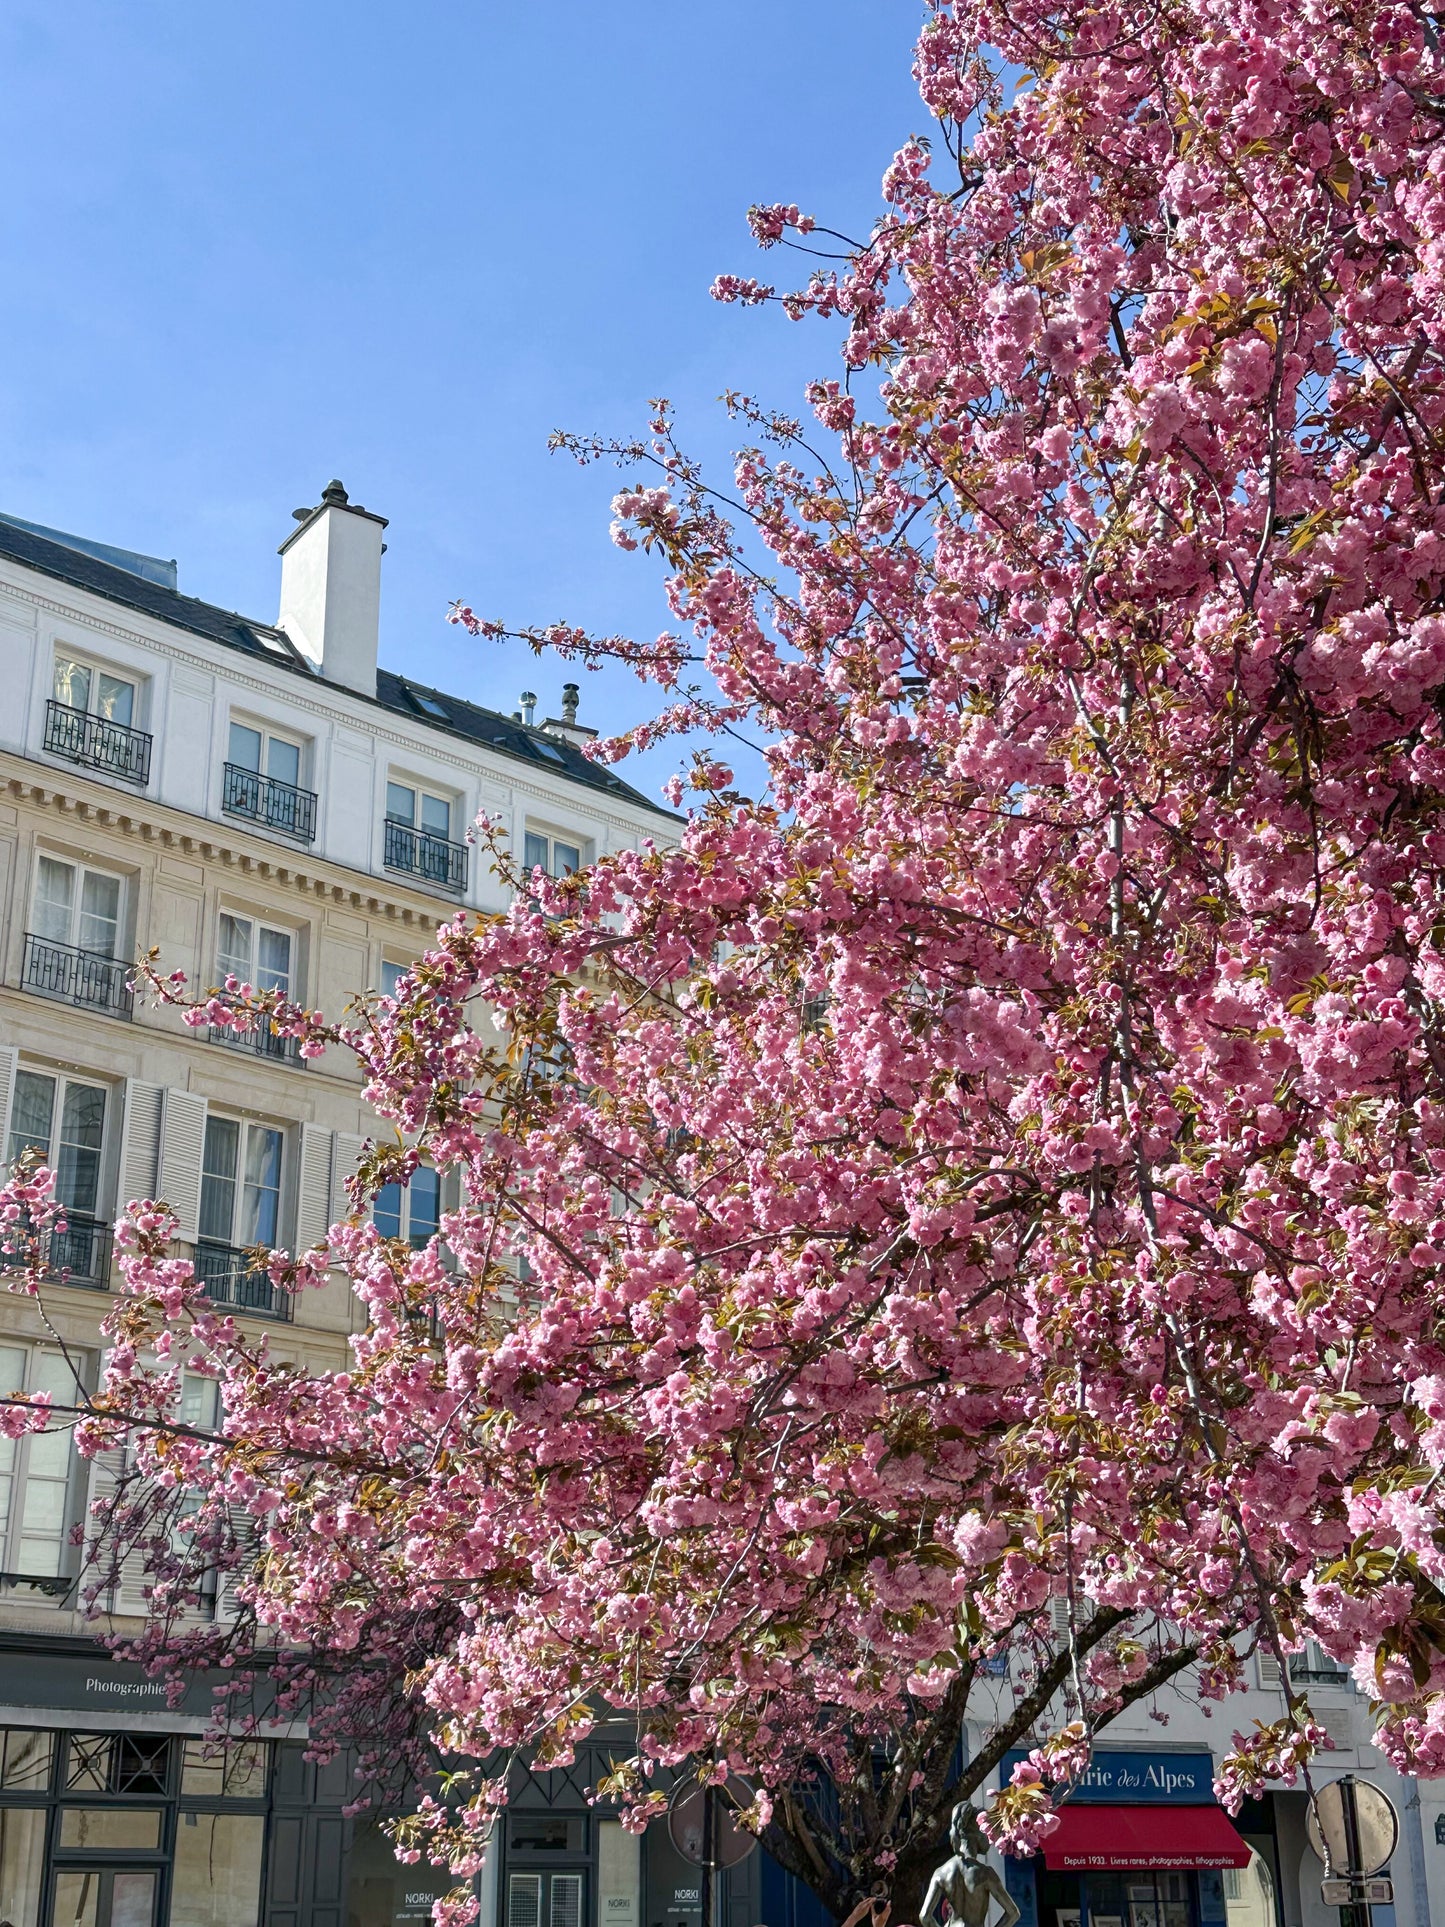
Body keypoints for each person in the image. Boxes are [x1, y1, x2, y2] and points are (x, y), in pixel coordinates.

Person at [919, 1805, 1022, 1927]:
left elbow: (925, 1916)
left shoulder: (941, 1872)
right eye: (987, 1833)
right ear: (977, 1834)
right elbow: (1013, 1913)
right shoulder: (985, 1874)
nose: (990, 1839)